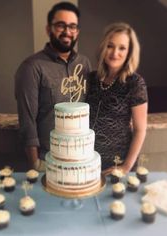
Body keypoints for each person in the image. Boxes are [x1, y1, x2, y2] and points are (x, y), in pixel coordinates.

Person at [15, 2, 91, 171]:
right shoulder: (32, 67)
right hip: (48, 159)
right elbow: (27, 120)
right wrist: (35, 164)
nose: (67, 32)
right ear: (48, 29)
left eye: (72, 26)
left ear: (77, 31)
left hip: (82, 158)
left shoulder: (84, 64)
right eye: (60, 25)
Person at [86, 22, 148, 176]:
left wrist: (125, 167)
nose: (115, 53)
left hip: (117, 164)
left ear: (129, 52)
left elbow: (140, 130)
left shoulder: (135, 83)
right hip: (87, 161)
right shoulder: (92, 78)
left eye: (122, 48)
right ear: (103, 47)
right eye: (110, 46)